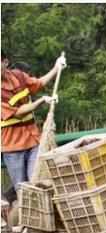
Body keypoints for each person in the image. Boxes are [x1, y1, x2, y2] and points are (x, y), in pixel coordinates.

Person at [1, 51, 65, 190]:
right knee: (24, 190)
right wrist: (41, 101)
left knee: (38, 184)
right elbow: (18, 112)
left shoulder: (18, 75)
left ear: (5, 62)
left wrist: (56, 67)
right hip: (13, 147)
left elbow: (38, 83)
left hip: (34, 140)